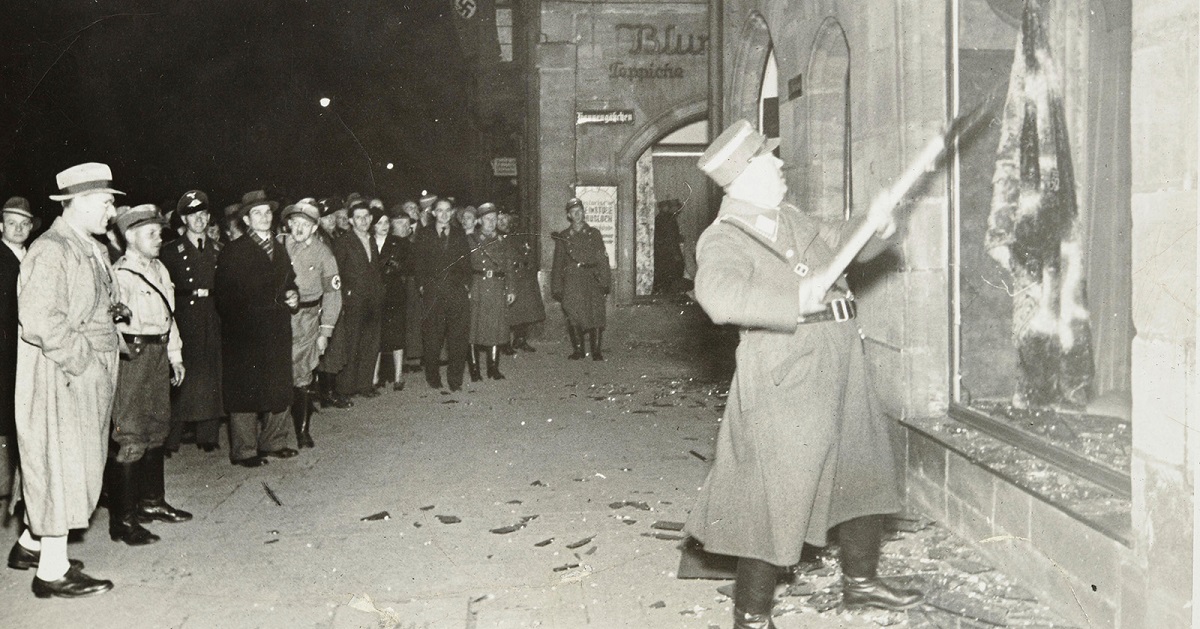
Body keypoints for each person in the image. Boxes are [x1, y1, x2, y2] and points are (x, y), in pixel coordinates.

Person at [684, 120, 922, 628]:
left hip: (840, 360)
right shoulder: (722, 238)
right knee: (775, 496)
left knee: (863, 469)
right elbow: (718, 297)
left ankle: (860, 583)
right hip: (785, 374)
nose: (780, 163)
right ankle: (751, 616)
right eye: (769, 159)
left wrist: (877, 224)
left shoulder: (789, 217)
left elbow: (847, 242)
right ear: (746, 175)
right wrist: (795, 298)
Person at [11, 162, 124, 597]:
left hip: (82, 373)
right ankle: (51, 573)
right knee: (58, 466)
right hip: (61, 375)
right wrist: (87, 363)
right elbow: (39, 318)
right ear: (75, 203)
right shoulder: (52, 248)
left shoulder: (88, 245)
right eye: (105, 201)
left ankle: (30, 545)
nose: (111, 211)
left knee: (73, 465)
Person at [106, 204, 191, 546]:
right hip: (133, 356)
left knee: (157, 427)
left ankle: (152, 503)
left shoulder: (159, 269)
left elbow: (169, 317)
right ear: (130, 236)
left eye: (159, 232)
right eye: (151, 233)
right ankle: (123, 521)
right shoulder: (119, 275)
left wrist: (175, 355)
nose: (159, 238)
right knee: (131, 434)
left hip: (157, 352)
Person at [214, 190, 300, 468]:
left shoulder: (280, 248)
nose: (264, 218)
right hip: (246, 333)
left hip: (276, 329)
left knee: (278, 384)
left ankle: (274, 441)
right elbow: (224, 298)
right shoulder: (234, 252)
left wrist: (293, 294)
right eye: (257, 214)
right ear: (247, 220)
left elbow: (289, 282)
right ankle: (245, 450)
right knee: (245, 390)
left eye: (267, 212)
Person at [160, 190, 223, 455]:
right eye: (192, 215)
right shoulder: (171, 252)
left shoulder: (219, 249)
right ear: (184, 220)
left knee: (211, 371)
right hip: (184, 315)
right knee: (181, 376)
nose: (199, 219)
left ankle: (207, 435)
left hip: (212, 314)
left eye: (203, 214)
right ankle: (170, 438)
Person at [280, 199, 342, 449]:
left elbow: (333, 293)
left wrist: (325, 331)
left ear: (315, 227)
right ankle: (278, 430)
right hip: (280, 316)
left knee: (303, 373)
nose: (299, 228)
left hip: (307, 319)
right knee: (280, 370)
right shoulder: (280, 244)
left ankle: (302, 431)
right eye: (295, 223)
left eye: (305, 224)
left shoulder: (324, 254)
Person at [327, 199, 383, 398]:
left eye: (366, 217)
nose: (363, 221)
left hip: (373, 300)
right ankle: (345, 389)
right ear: (351, 220)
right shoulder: (343, 242)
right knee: (351, 345)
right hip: (353, 301)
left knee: (370, 343)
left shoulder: (371, 240)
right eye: (358, 217)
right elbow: (337, 273)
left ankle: (365, 385)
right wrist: (343, 298)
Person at [414, 198, 472, 391]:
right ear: (433, 213)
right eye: (440, 211)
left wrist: (466, 285)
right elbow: (419, 263)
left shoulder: (459, 234)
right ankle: (433, 377)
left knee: (458, 338)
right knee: (433, 338)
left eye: (448, 211)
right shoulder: (423, 234)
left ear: (452, 212)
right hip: (434, 294)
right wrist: (422, 286)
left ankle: (455, 380)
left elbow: (466, 263)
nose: (444, 214)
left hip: (456, 293)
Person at [0, 197, 37, 495]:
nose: (18, 228)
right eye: (12, 223)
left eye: (24, 224)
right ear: (2, 225)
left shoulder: (32, 255)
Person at [550, 198, 611, 360]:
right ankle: (578, 350)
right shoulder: (564, 236)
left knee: (596, 312)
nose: (577, 214)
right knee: (573, 311)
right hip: (572, 279)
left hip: (591, 277)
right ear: (569, 216)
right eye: (573, 212)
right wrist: (556, 287)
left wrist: (605, 281)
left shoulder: (594, 234)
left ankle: (596, 351)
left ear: (584, 212)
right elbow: (558, 263)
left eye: (580, 210)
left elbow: (602, 259)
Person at [468, 203, 516, 380]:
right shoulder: (471, 239)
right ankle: (474, 370)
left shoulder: (503, 241)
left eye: (494, 219)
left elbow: (509, 267)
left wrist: (511, 289)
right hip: (477, 285)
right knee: (474, 327)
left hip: (497, 286)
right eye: (487, 219)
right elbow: (463, 267)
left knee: (495, 327)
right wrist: (466, 288)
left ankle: (493, 368)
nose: (491, 222)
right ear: (479, 220)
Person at [498, 209, 544, 353]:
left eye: (504, 219)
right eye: (499, 220)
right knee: (508, 311)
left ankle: (520, 339)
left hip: (524, 275)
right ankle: (504, 343)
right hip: (508, 276)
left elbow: (528, 252)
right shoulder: (496, 238)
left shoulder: (519, 235)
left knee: (525, 308)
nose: (501, 222)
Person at [374, 207, 410, 390]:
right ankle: (374, 376)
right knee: (376, 335)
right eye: (379, 223)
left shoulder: (399, 243)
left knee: (396, 334)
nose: (384, 226)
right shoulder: (368, 242)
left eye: (387, 222)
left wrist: (395, 266)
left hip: (395, 293)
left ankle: (398, 376)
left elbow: (407, 265)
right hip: (375, 294)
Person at [653, 199, 687, 294]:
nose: (678, 211)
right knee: (673, 277)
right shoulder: (669, 220)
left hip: (661, 254)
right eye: (677, 208)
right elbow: (670, 239)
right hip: (668, 254)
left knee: (663, 279)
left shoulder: (659, 218)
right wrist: (676, 255)